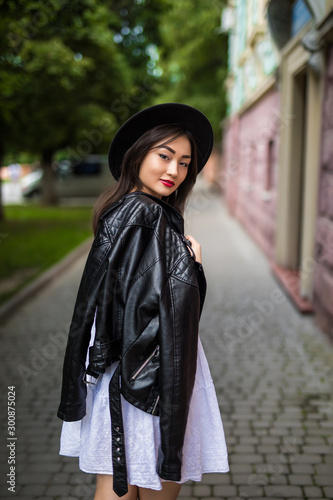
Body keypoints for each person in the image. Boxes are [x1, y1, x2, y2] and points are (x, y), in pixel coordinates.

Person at [57, 103, 229, 500]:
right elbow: (164, 311)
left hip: (127, 372)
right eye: (164, 156)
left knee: (119, 485)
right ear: (139, 153)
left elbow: (128, 300)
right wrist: (193, 267)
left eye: (185, 163)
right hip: (149, 374)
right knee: (150, 489)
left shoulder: (124, 210)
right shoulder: (146, 214)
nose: (174, 171)